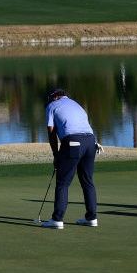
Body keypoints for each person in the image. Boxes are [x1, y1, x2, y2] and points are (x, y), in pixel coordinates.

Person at [41, 88, 98, 229]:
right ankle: (91, 218)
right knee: (87, 181)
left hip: (73, 142)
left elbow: (51, 132)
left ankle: (57, 220)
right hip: (91, 142)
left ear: (53, 97)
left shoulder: (51, 106)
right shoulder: (76, 104)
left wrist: (56, 155)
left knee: (63, 182)